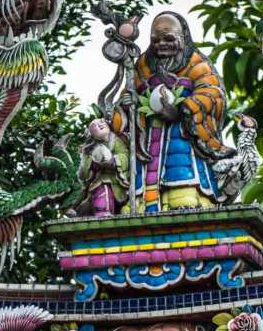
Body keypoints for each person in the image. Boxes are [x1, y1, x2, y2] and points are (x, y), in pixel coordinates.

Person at [117, 11, 230, 211]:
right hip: (149, 136)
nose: (161, 44)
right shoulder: (142, 64)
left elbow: (213, 93)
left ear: (183, 37)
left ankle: (186, 193)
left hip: (183, 134)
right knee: (143, 174)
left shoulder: (196, 62)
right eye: (155, 40)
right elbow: (128, 94)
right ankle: (141, 201)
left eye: (169, 38)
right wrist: (128, 103)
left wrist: (182, 109)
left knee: (181, 173)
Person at [78, 118, 130, 216]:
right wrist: (93, 165)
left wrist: (114, 161)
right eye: (94, 126)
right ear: (91, 134)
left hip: (117, 181)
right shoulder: (89, 149)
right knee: (102, 198)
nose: (99, 125)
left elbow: (125, 156)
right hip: (99, 181)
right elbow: (83, 171)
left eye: (101, 122)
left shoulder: (116, 141)